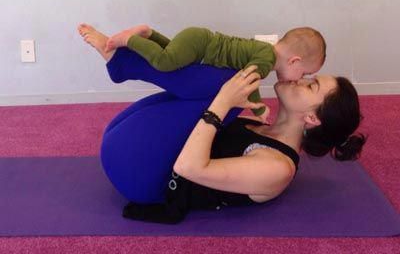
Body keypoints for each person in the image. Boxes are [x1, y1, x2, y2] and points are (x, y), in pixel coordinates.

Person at [78, 23, 366, 224]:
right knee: (225, 83)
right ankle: (143, 49)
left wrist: (223, 102)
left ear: (313, 118)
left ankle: (123, 60)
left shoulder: (277, 168)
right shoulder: (258, 124)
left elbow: (187, 168)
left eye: (311, 85)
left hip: (142, 179)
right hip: (128, 145)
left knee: (223, 87)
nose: (300, 78)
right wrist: (226, 100)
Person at [103, 23, 326, 121]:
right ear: (295, 61)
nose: (300, 80)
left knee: (175, 58)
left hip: (199, 39)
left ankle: (149, 34)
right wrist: (258, 109)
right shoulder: (267, 60)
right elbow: (248, 80)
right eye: (304, 74)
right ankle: (130, 40)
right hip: (200, 44)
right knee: (164, 62)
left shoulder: (266, 51)